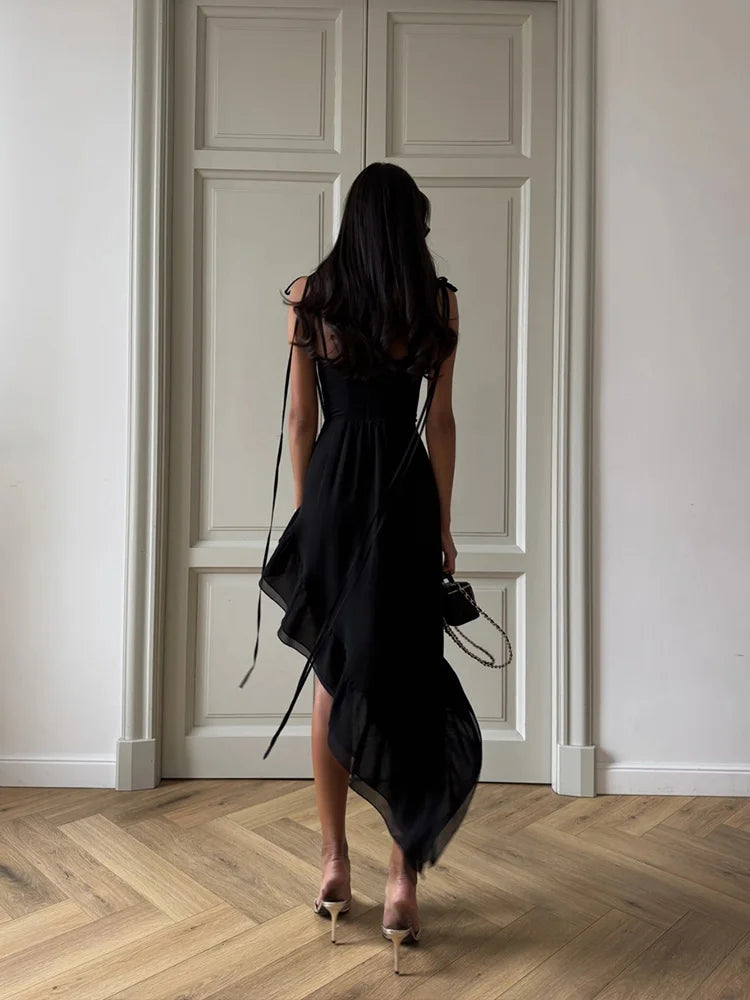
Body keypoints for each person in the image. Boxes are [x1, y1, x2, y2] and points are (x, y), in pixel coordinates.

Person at [239, 161, 482, 974]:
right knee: (408, 678)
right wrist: (442, 523)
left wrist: (309, 519)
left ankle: (334, 864)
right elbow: (440, 422)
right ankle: (402, 878)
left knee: (333, 678)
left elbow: (300, 419)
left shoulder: (310, 298)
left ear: (351, 222)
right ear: (410, 226)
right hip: (403, 497)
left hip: (337, 496)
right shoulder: (435, 304)